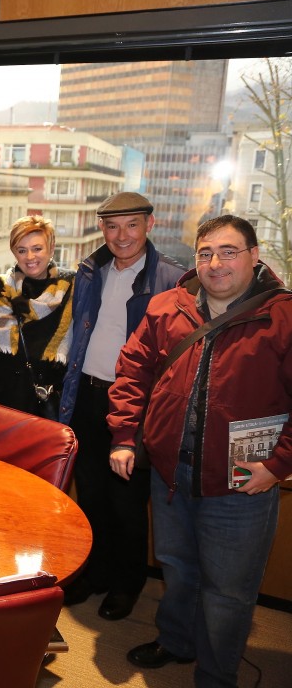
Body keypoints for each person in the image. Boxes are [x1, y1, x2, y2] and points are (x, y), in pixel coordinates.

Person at [108, 215, 292, 687]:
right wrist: (125, 436)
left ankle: (215, 676)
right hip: (170, 473)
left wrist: (277, 465)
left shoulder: (284, 317)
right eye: (206, 253)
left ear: (254, 255)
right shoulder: (167, 306)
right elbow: (132, 372)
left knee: (228, 591)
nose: (216, 263)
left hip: (241, 484)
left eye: (229, 251)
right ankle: (176, 641)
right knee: (177, 569)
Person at [58, 192, 184, 621]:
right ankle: (94, 573)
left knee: (127, 502)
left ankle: (127, 584)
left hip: (136, 405)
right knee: (91, 494)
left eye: (132, 225)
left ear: (150, 225)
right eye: (112, 226)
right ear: (102, 229)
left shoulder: (172, 279)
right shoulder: (90, 270)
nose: (122, 235)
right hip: (87, 395)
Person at [0, 216, 74, 417]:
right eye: (22, 250)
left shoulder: (72, 287)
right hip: (3, 403)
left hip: (47, 406)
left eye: (37, 248)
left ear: (51, 248)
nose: (30, 257)